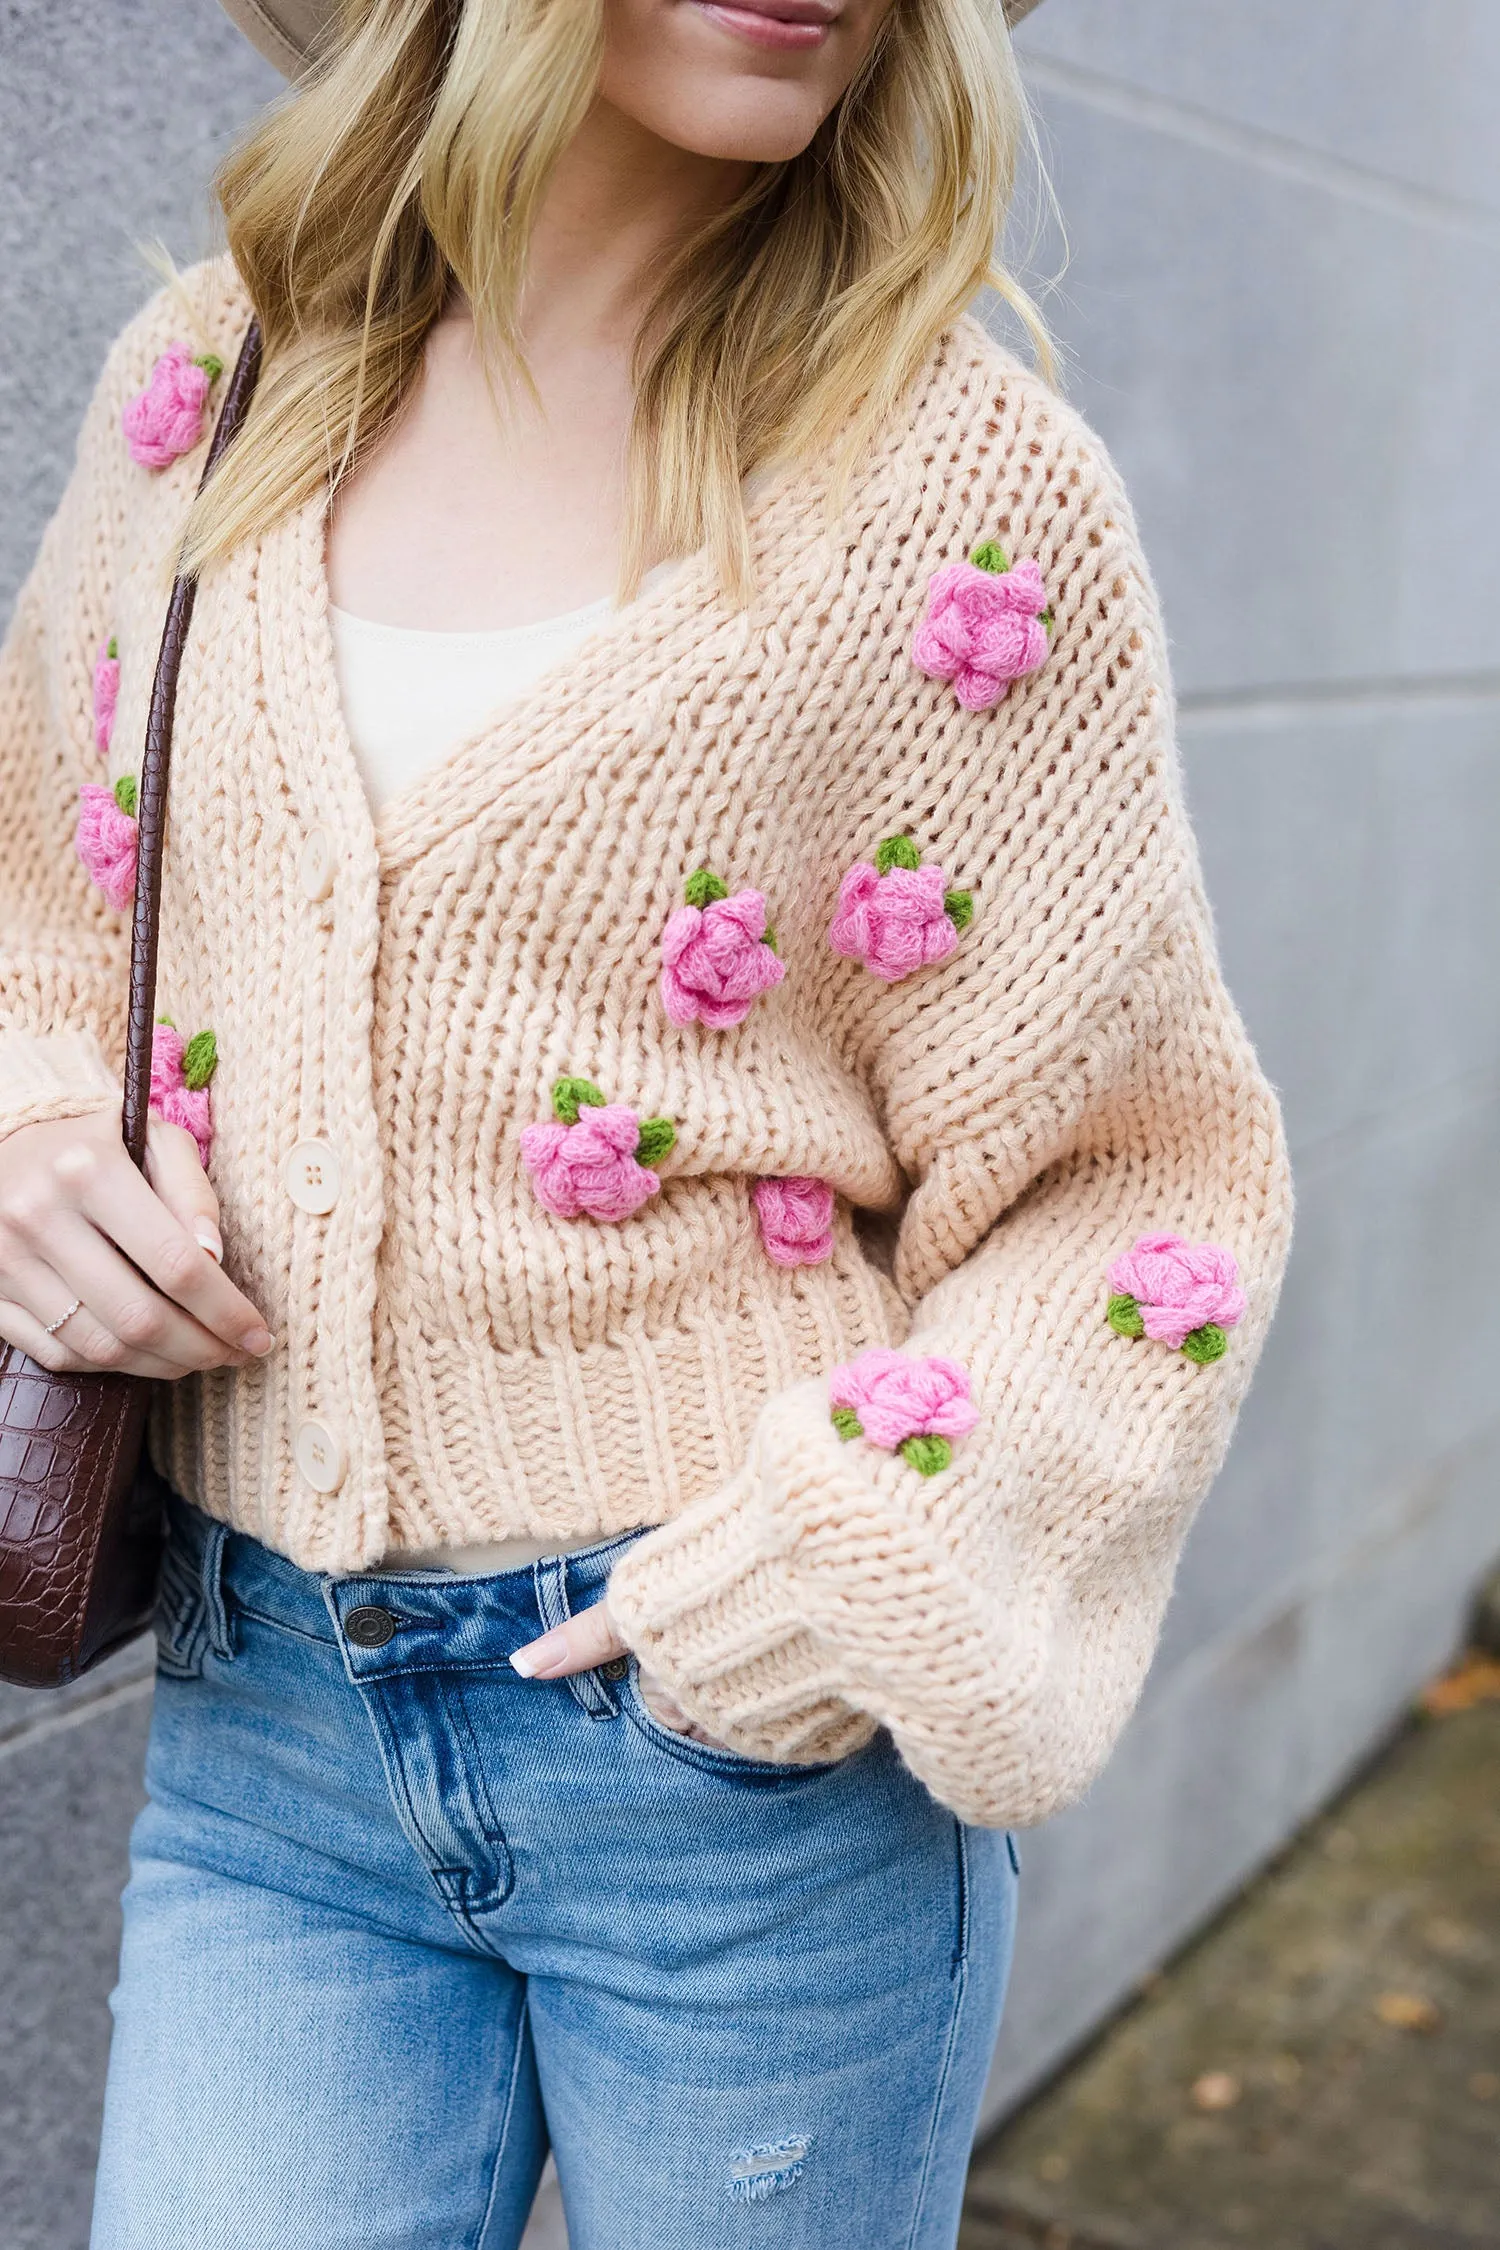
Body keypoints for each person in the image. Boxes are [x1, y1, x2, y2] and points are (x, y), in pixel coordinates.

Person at [0, 0, 1292, 2241]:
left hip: (729, 1771)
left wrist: (836, 1575)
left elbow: (1145, 1186)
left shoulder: (954, 501)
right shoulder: (216, 389)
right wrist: (24, 1130)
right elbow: (42, 901)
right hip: (264, 1730)